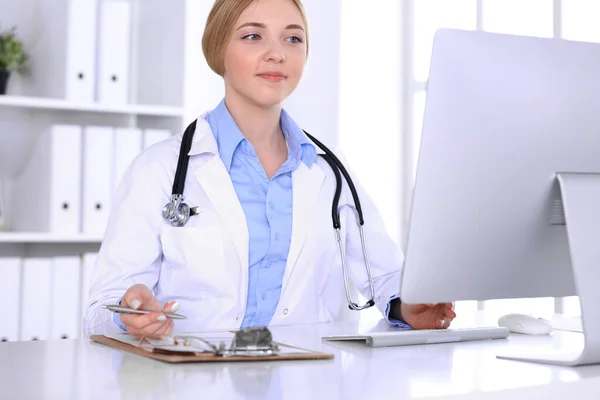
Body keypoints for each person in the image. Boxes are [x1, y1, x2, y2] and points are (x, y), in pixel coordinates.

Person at [83, 0, 456, 339]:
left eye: (293, 39)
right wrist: (127, 313)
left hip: (309, 379)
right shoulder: (159, 170)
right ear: (219, 50)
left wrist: (407, 306)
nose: (277, 54)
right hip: (191, 382)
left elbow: (386, 275)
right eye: (253, 36)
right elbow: (101, 308)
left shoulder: (330, 173)